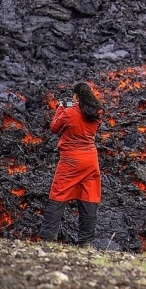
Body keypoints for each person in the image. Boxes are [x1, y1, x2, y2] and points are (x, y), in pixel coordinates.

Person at [38, 81, 104, 247]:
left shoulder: (69, 112)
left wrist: (61, 107)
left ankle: (48, 237)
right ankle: (86, 242)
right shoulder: (97, 112)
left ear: (76, 97)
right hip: (90, 160)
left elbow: (54, 128)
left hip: (71, 160)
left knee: (59, 194)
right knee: (89, 197)